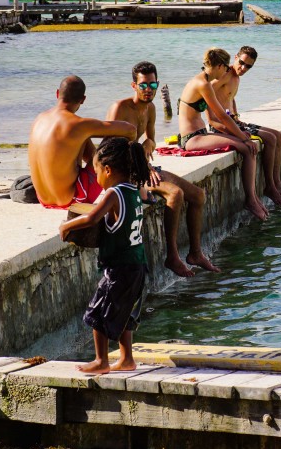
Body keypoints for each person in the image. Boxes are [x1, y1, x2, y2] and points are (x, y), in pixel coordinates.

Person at [106, 61, 219, 277]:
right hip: (125, 174)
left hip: (143, 167)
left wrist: (149, 144)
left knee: (197, 195)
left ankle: (195, 253)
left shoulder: (151, 108)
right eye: (143, 86)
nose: (148, 90)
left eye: (152, 86)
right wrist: (144, 166)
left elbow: (150, 138)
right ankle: (172, 257)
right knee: (175, 194)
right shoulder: (119, 108)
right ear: (133, 86)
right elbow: (110, 151)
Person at [59, 137, 150, 373]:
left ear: (108, 170)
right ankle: (127, 359)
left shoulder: (113, 194)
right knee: (125, 313)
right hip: (138, 265)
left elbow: (91, 218)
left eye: (97, 171)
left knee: (97, 312)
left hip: (119, 268)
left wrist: (66, 226)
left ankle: (101, 361)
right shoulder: (135, 191)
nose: (97, 178)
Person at [179, 48, 268, 220]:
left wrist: (241, 133)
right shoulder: (202, 84)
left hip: (200, 135)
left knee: (247, 144)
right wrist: (242, 136)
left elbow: (227, 113)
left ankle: (254, 197)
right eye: (226, 68)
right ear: (219, 66)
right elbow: (221, 116)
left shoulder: (204, 81)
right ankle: (250, 199)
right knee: (246, 147)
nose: (227, 71)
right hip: (191, 139)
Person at [28, 75, 136, 209]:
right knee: (92, 138)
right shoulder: (78, 124)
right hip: (72, 200)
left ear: (57, 93)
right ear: (83, 99)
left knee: (83, 135)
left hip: (43, 199)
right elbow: (130, 130)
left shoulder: (39, 119)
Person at [209, 46, 281, 205]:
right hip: (222, 126)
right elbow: (206, 93)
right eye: (241, 63)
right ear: (236, 57)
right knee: (269, 138)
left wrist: (235, 114)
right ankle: (269, 186)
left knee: (278, 136)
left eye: (248, 66)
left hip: (233, 122)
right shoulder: (225, 74)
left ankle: (276, 183)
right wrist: (213, 120)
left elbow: (229, 97)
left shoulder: (236, 76)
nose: (243, 68)